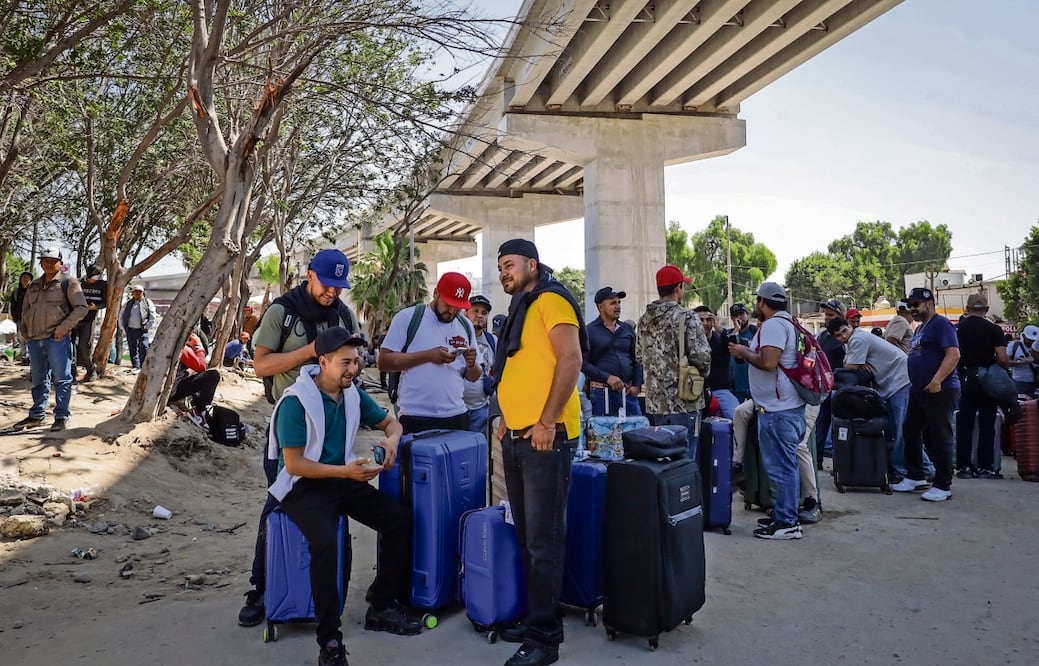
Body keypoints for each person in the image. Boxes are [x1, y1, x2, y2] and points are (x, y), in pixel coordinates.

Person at [268, 327, 417, 666]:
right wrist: (345, 473)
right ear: (323, 362)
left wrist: (391, 442)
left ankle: (381, 603)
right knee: (324, 542)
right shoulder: (296, 401)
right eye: (345, 362)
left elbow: (392, 425)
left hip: (340, 477)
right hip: (301, 484)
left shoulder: (351, 394)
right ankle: (330, 640)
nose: (354, 369)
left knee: (399, 520)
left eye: (357, 361)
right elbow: (294, 463)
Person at [239, 248, 358, 628]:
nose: (332, 293)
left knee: (333, 508)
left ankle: (330, 589)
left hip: (331, 428)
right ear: (310, 275)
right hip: (290, 423)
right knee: (277, 504)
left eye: (339, 287)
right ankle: (260, 589)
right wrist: (310, 352)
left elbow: (354, 357)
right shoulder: (282, 312)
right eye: (327, 284)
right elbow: (260, 365)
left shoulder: (342, 313)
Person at [491, 238, 586, 666]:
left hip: (547, 435)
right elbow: (518, 367)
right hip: (518, 435)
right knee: (529, 536)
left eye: (509, 265)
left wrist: (546, 421)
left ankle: (544, 640)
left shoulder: (552, 300)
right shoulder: (520, 308)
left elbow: (570, 360)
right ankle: (537, 618)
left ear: (532, 263)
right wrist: (506, 417)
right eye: (500, 268)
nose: (504, 273)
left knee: (543, 541)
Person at [728, 282, 806, 540]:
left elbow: (769, 362)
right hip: (784, 407)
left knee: (782, 468)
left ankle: (787, 522)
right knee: (785, 467)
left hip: (778, 409)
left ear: (762, 301)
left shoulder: (773, 325)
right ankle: (785, 515)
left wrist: (743, 351)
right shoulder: (788, 323)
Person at [377, 272, 480, 434]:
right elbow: (383, 362)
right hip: (416, 415)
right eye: (448, 304)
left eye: (458, 306)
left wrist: (472, 364)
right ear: (436, 293)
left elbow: (474, 377)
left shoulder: (465, 325)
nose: (452, 311)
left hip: (457, 414)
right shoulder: (407, 318)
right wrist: (428, 356)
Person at [826, 315, 917, 483]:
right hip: (892, 383)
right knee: (896, 429)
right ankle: (923, 468)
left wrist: (857, 363)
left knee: (899, 430)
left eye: (844, 331)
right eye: (838, 335)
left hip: (899, 381)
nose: (843, 336)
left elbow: (850, 367)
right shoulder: (854, 340)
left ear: (849, 326)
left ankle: (902, 471)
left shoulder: (858, 339)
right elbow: (853, 363)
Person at [891, 287, 960, 501]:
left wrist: (937, 380)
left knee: (941, 435)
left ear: (929, 303)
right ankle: (915, 475)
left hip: (940, 389)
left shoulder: (941, 324)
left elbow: (953, 354)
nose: (912, 308)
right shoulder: (921, 328)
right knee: (910, 429)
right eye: (910, 305)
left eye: (916, 304)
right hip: (920, 390)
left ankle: (943, 484)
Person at [636, 265, 710, 460]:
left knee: (663, 459)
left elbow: (638, 356)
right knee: (686, 459)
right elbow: (702, 357)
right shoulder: (687, 317)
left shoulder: (643, 320)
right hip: (685, 400)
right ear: (678, 288)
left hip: (656, 402)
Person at [12, 248, 87, 432]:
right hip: (35, 340)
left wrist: (62, 329)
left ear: (60, 263)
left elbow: (81, 308)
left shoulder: (68, 282)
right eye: (44, 260)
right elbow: (25, 310)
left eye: (52, 260)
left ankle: (61, 416)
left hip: (57, 340)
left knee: (62, 379)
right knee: (38, 379)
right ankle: (37, 414)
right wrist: (25, 331)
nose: (48, 264)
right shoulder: (34, 285)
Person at [954, 293, 1009, 479]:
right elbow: (1002, 357)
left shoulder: (958, 329)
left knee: (965, 423)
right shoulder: (994, 329)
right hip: (987, 381)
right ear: (985, 309)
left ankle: (964, 466)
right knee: (987, 424)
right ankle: (985, 466)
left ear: (967, 309)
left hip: (966, 380)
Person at [583, 286, 643, 417]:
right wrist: (607, 377)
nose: (618, 306)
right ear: (600, 307)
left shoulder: (627, 329)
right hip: (601, 394)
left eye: (619, 302)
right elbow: (583, 363)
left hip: (628, 393)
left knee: (637, 432)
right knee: (605, 435)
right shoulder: (589, 331)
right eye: (612, 303)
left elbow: (637, 359)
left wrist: (637, 385)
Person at [815, 299, 847, 467]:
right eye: (826, 315)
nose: (827, 318)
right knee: (820, 425)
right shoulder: (822, 335)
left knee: (839, 429)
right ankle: (817, 460)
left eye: (831, 315)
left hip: (840, 389)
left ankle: (842, 466)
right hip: (824, 389)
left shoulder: (846, 336)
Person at [694, 305, 737, 420]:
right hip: (697, 393)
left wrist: (719, 328)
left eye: (708, 320)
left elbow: (736, 344)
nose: (705, 323)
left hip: (721, 391)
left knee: (737, 419)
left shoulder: (721, 338)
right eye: (701, 320)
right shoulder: (690, 343)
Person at [168, 332, 221, 425]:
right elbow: (202, 366)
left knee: (192, 372)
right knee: (213, 375)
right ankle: (199, 411)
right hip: (172, 391)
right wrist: (198, 347)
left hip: (168, 388)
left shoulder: (170, 342)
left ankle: (194, 403)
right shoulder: (182, 348)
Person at [462, 294, 496, 433]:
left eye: (484, 313)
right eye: (475, 311)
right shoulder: (456, 336)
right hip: (456, 408)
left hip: (481, 409)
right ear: (466, 313)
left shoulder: (493, 341)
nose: (480, 316)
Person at [74, 264, 107, 381]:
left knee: (84, 346)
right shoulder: (79, 283)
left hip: (88, 320)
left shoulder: (103, 285)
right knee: (70, 347)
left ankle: (90, 369)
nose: (94, 279)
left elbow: (105, 302)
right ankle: (72, 373)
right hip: (73, 319)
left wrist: (96, 307)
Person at [119, 285, 156, 371]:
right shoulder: (128, 303)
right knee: (132, 348)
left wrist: (148, 326)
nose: (137, 293)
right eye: (135, 292)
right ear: (132, 293)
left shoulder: (147, 302)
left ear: (143, 293)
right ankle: (136, 366)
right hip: (130, 330)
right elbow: (122, 315)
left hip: (142, 330)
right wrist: (122, 327)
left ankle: (144, 366)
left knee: (144, 347)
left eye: (139, 292)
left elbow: (152, 314)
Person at [725, 303, 756, 402]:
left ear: (748, 314)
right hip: (735, 385)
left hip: (753, 385)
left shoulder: (755, 332)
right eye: (735, 316)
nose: (739, 318)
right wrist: (736, 330)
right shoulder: (729, 334)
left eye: (741, 314)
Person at [9, 271, 33, 364]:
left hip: (32, 320)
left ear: (31, 280)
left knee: (31, 339)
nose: (25, 279)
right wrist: (15, 318)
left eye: (27, 278)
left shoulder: (34, 292)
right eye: (23, 277)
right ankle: (24, 358)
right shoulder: (15, 292)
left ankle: (31, 358)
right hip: (19, 319)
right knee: (21, 339)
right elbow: (13, 307)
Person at [1008, 325, 1038, 396]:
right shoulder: (1013, 345)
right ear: (1024, 336)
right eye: (1030, 339)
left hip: (1037, 383)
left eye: (1034, 340)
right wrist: (1022, 361)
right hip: (1020, 383)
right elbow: (1006, 362)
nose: (1032, 342)